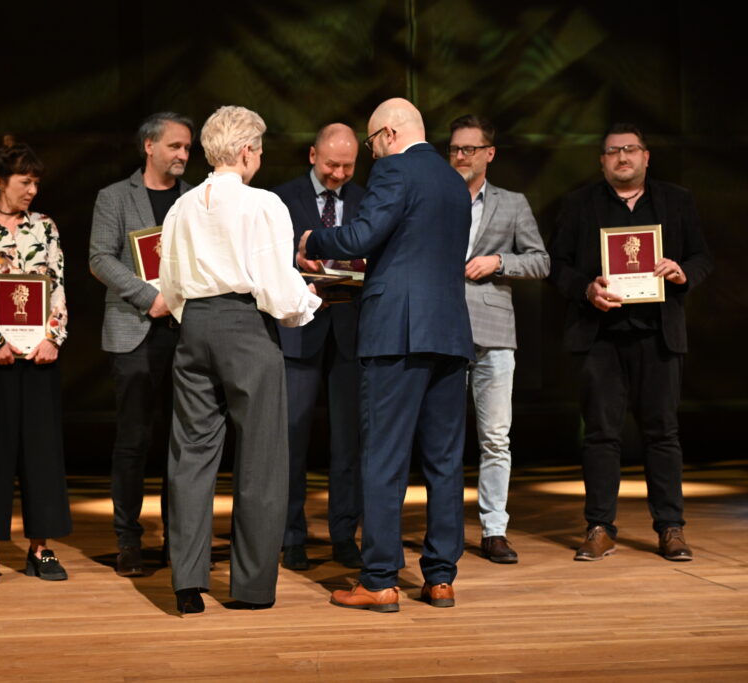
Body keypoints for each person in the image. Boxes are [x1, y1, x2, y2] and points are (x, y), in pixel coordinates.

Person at [298, 98, 473, 612]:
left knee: (384, 457)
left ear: (390, 134)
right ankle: (440, 578)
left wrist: (313, 239)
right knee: (444, 461)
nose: (372, 154)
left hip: (397, 333)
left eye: (372, 143)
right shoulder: (453, 181)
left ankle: (378, 579)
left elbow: (361, 235)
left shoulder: (396, 169)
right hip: (449, 333)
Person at [159, 105, 322, 614]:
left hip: (194, 328)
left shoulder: (181, 207)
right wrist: (308, 302)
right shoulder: (263, 203)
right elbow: (277, 287)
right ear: (247, 151)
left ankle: (188, 584)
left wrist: (195, 318)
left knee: (191, 455)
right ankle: (250, 587)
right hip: (245, 329)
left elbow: (169, 281)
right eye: (260, 150)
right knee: (262, 459)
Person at [548, 123, 712, 562]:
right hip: (599, 336)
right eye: (613, 151)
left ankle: (671, 528)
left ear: (646, 156)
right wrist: (586, 289)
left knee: (663, 434)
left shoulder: (677, 200)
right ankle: (600, 528)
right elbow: (556, 265)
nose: (622, 157)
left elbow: (702, 257)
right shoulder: (579, 204)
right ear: (602, 161)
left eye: (630, 149)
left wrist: (683, 273)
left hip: (659, 335)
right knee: (601, 435)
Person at [0, 139, 72, 586]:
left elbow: (57, 284)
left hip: (40, 353)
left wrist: (52, 337)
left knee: (42, 448)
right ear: (1, 181)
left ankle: (40, 547)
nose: (33, 190)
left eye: (37, 182)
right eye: (26, 181)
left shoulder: (45, 227)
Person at [89, 112, 194, 576]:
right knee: (133, 441)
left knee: (182, 444)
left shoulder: (196, 198)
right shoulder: (114, 196)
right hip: (134, 332)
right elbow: (99, 258)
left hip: (186, 336)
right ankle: (128, 541)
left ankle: (179, 541)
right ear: (149, 146)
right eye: (175, 146)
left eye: (187, 147)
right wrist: (149, 297)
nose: (183, 154)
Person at [447, 114, 550, 564]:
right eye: (455, 148)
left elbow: (541, 261)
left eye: (470, 149)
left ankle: (494, 529)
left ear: (489, 153)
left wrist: (499, 262)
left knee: (494, 438)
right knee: (444, 438)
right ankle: (445, 528)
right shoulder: (436, 199)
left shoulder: (512, 203)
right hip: (444, 328)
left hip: (494, 332)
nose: (461, 156)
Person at [272, 123, 364, 571]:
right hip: (299, 329)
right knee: (292, 439)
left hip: (351, 331)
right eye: (331, 165)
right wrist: (295, 267)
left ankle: (344, 535)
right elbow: (266, 259)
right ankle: (291, 537)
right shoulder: (281, 199)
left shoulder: (367, 199)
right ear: (312, 155)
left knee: (349, 442)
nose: (338, 174)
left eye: (347, 166)